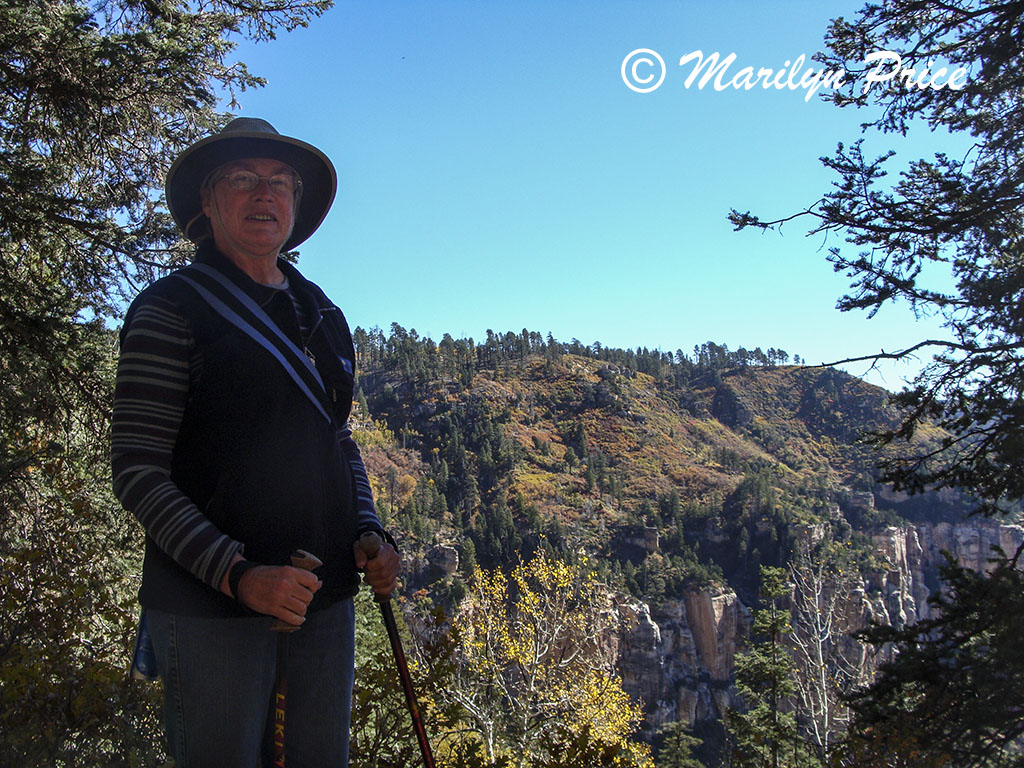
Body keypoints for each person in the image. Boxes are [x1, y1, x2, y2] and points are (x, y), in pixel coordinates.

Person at [111, 117, 400, 767]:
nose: (263, 193)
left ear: (296, 205)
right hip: (209, 612)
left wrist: (369, 528)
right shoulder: (171, 309)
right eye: (242, 179)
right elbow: (137, 470)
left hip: (324, 601)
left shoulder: (323, 314)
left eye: (279, 181)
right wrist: (239, 576)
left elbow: (338, 439)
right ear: (207, 204)